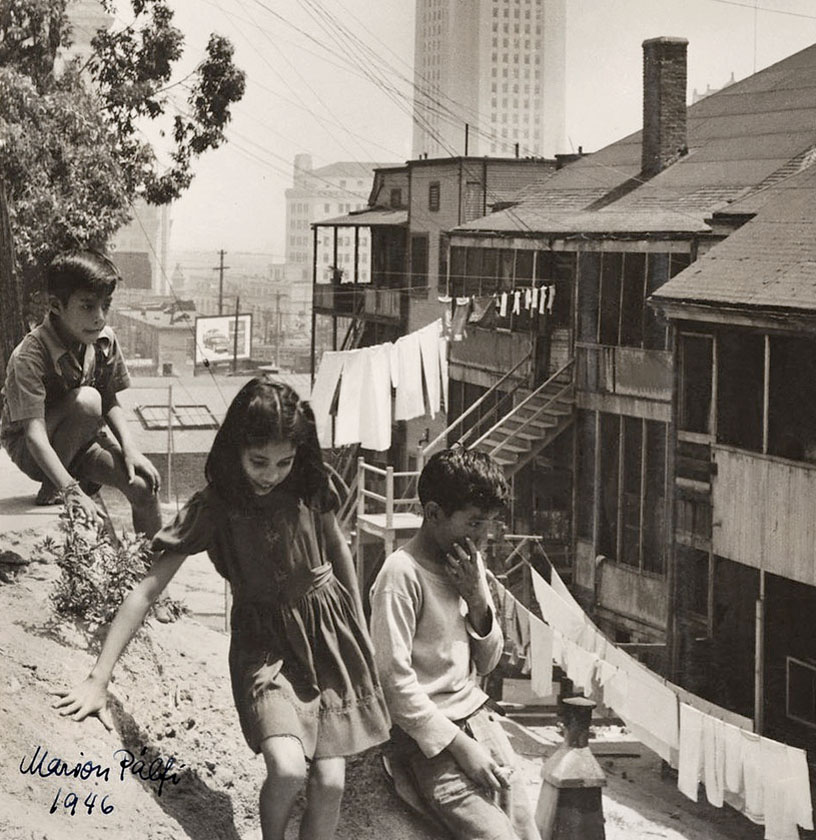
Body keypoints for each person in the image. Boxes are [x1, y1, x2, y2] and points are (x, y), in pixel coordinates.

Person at [53, 378, 391, 840]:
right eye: (259, 461)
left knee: (331, 783)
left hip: (328, 638)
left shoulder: (310, 483)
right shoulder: (214, 507)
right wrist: (99, 678)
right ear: (235, 449)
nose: (271, 473)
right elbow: (147, 590)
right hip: (265, 648)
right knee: (289, 770)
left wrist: (360, 630)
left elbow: (337, 547)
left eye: (284, 461)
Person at [369, 446, 540, 840]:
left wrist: (478, 600)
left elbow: (489, 661)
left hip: (479, 721)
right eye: (474, 523)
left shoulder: (468, 565)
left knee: (527, 832)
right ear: (433, 513)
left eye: (490, 525)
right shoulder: (401, 575)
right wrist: (461, 746)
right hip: (429, 738)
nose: (483, 537)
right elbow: (394, 682)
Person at [0, 249, 162, 535]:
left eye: (105, 306)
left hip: (82, 439)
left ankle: (150, 573)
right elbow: (34, 436)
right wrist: (71, 489)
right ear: (56, 305)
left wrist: (129, 447)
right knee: (87, 401)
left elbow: (109, 396)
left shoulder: (103, 339)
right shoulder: (29, 355)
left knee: (143, 486)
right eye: (87, 306)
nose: (99, 317)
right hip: (34, 450)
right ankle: (57, 485)